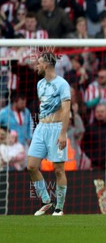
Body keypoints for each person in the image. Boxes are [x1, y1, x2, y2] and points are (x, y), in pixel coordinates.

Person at [27, 53, 71, 216]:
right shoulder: (39, 84)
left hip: (56, 128)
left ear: (46, 65)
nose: (36, 66)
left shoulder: (62, 84)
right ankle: (46, 201)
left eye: (38, 63)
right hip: (41, 128)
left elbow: (67, 110)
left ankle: (59, 207)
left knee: (58, 169)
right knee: (31, 166)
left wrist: (63, 133)